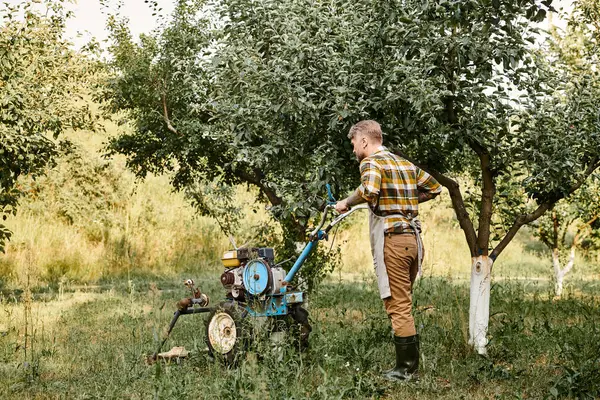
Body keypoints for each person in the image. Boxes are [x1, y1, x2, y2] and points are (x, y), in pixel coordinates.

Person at [335, 120, 441, 382]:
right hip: (413, 241)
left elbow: (369, 191)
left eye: (353, 144)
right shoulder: (404, 163)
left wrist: (346, 203)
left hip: (393, 240)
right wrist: (404, 201)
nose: (353, 150)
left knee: (398, 304)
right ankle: (407, 366)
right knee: (403, 300)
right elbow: (435, 188)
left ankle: (406, 370)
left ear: (364, 141)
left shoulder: (371, 162)